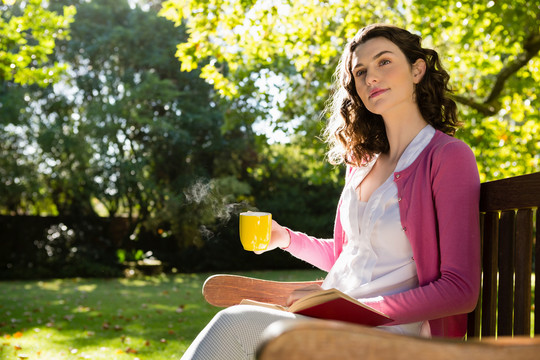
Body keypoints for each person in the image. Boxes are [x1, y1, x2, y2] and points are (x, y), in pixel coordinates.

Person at [181, 24, 481, 360]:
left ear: (417, 70)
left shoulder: (446, 157)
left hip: (391, 337)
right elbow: (350, 255)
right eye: (360, 71)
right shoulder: (362, 164)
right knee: (236, 331)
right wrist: (285, 239)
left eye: (384, 62)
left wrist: (355, 311)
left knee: (234, 327)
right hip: (336, 325)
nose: (370, 78)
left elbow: (460, 290)